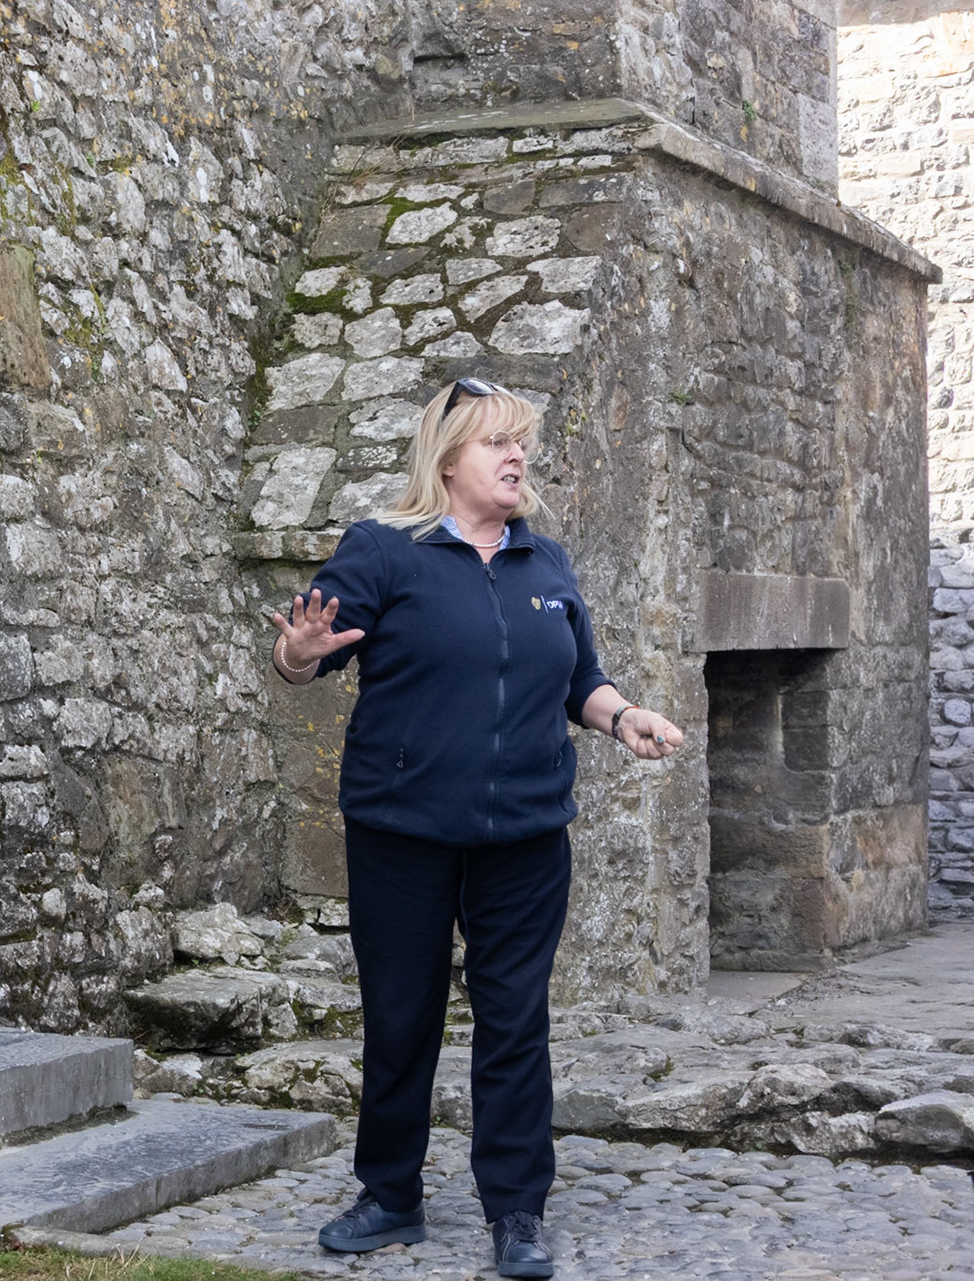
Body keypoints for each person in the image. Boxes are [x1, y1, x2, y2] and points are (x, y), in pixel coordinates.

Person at [267, 378, 682, 1279]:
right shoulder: (384, 550)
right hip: (403, 831)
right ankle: (390, 1195)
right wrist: (296, 654)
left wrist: (623, 716)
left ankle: (518, 1211)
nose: (516, 456)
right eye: (497, 441)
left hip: (527, 837)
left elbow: (582, 680)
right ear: (448, 458)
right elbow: (307, 650)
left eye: (521, 441)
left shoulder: (547, 564)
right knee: (402, 1014)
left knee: (514, 1020)